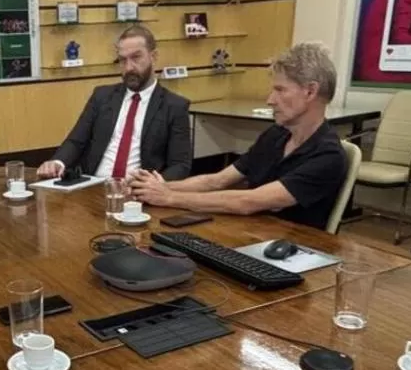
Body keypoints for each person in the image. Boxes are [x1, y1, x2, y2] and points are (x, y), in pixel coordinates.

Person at [129, 42, 347, 231]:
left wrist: (169, 197)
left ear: (310, 92)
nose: (270, 100)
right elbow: (218, 180)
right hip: (253, 234)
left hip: (294, 250)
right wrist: (155, 188)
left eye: (280, 90)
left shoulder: (328, 155)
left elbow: (248, 201)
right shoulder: (275, 135)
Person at [37, 26, 192, 182]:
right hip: (92, 186)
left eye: (136, 57)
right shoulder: (102, 96)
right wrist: (57, 162)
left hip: (139, 191)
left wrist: (157, 184)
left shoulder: (174, 106)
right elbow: (76, 141)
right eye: (122, 60)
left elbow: (180, 165)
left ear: (154, 56)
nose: (129, 67)